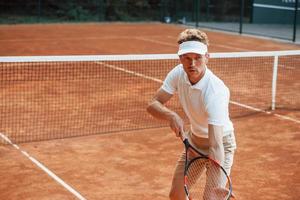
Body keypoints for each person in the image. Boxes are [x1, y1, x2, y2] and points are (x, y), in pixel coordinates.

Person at [146, 28, 237, 200]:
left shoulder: (215, 91)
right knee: (176, 195)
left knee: (210, 198)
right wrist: (171, 115)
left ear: (207, 57)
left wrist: (214, 187)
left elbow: (216, 144)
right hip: (195, 143)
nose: (192, 63)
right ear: (180, 58)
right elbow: (152, 104)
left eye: (197, 58)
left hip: (220, 144)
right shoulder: (178, 74)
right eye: (187, 58)